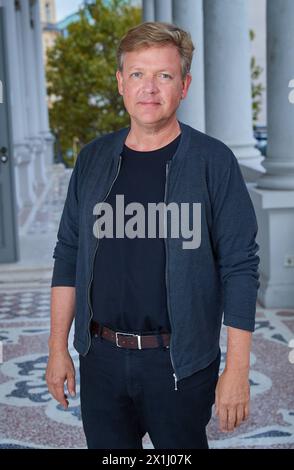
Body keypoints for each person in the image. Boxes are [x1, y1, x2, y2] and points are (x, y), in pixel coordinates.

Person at [45, 22, 260, 449]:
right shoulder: (92, 160)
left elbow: (240, 268)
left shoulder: (213, 162)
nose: (149, 88)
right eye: (138, 74)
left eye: (164, 75)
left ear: (184, 85)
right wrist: (57, 349)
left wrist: (236, 371)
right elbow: (68, 254)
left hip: (180, 364)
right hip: (101, 359)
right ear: (121, 83)